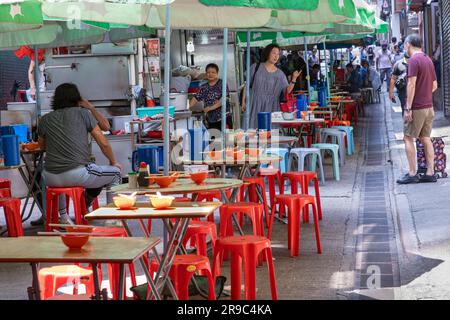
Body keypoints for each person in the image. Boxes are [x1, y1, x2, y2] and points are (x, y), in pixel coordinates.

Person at [36, 83, 121, 224]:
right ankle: (112, 218)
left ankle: (63, 217)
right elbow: (103, 142)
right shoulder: (83, 114)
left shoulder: (45, 119)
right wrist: (113, 162)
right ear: (77, 98)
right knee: (115, 174)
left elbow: (42, 146)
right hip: (77, 174)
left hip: (50, 177)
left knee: (60, 179)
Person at [396, 34, 438, 184]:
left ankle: (413, 173)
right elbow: (434, 86)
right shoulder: (428, 59)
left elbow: (411, 84)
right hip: (429, 107)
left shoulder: (413, 60)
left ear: (408, 44)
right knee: (425, 138)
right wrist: (424, 94)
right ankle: (430, 172)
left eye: (405, 45)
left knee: (408, 137)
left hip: (417, 107)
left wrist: (408, 108)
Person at [242, 44, 301, 129]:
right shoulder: (256, 67)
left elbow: (287, 90)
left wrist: (294, 79)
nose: (276, 56)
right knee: (252, 134)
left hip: (272, 108)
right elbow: (247, 85)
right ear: (267, 53)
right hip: (254, 105)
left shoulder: (280, 74)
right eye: (274, 53)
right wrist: (244, 101)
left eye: (278, 54)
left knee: (271, 137)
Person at [189, 63, 232, 131]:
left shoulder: (222, 83)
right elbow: (196, 98)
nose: (210, 74)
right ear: (206, 74)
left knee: (227, 139)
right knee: (213, 139)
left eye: (213, 72)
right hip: (211, 119)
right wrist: (187, 108)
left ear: (217, 73)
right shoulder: (204, 87)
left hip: (224, 118)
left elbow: (223, 100)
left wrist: (210, 108)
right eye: (208, 72)